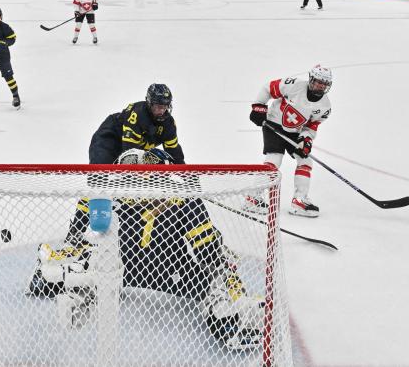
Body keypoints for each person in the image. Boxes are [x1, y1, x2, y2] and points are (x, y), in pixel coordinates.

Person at [27, 148, 266, 349]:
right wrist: (217, 247)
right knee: (219, 266)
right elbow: (205, 249)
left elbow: (77, 236)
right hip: (170, 272)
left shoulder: (102, 193)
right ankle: (226, 322)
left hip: (118, 269)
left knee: (88, 256)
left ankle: (56, 280)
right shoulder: (186, 199)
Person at [248, 65, 332, 217]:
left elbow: (312, 126)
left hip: (295, 132)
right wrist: (258, 106)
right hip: (274, 124)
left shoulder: (325, 106)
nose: (321, 85)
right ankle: (252, 198)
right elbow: (268, 88)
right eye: (318, 81)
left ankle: (299, 201)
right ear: (311, 79)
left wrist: (306, 140)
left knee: (305, 161)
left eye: (324, 83)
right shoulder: (293, 85)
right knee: (274, 159)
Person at [87, 83, 185, 165]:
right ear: (149, 103)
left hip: (132, 147)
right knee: (100, 176)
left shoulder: (169, 124)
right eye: (158, 106)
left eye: (165, 106)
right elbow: (129, 152)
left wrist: (186, 176)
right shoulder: (138, 115)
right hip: (110, 138)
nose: (162, 111)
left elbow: (174, 151)